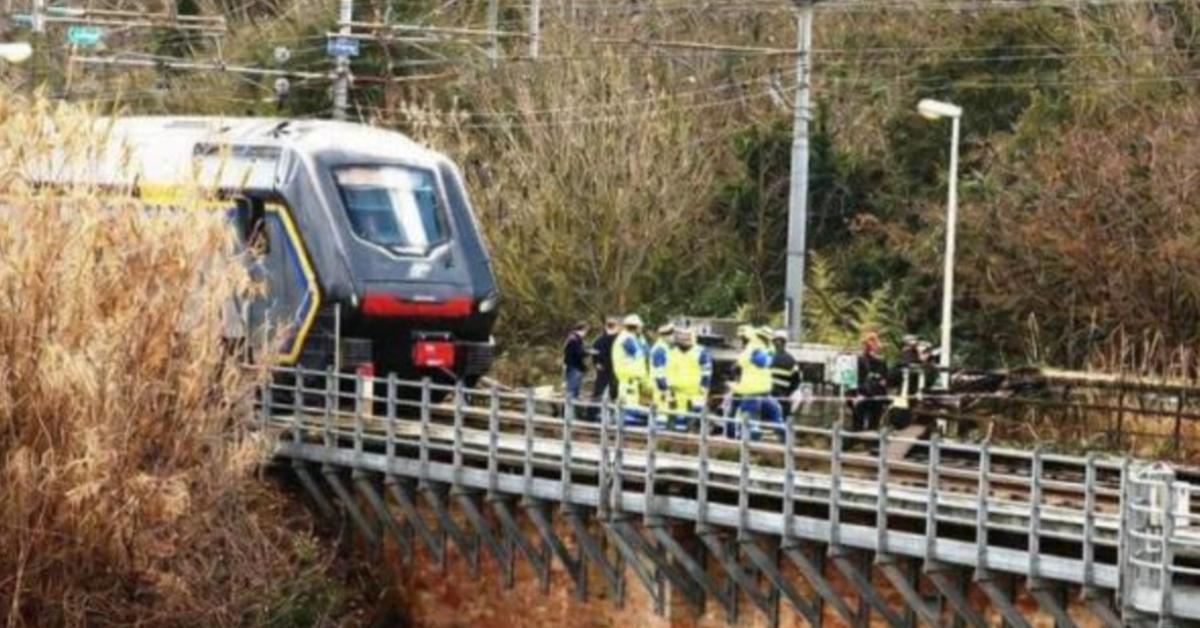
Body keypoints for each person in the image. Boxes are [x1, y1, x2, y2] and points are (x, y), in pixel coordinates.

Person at [727, 325, 782, 440]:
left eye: (743, 339)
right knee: (770, 412)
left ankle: (740, 437)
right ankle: (741, 439)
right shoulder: (761, 348)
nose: (741, 342)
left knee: (750, 413)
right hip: (757, 390)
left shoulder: (756, 349)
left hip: (753, 390)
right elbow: (761, 362)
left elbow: (758, 362)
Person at [665, 328, 712, 432]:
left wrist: (704, 388)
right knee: (676, 423)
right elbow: (667, 372)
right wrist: (668, 389)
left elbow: (706, 372)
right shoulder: (672, 353)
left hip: (696, 394)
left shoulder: (701, 352)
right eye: (682, 337)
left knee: (694, 421)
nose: (684, 340)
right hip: (676, 393)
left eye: (687, 337)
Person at [611, 314, 648, 425]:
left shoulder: (626, 337)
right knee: (629, 408)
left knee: (628, 405)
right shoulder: (627, 339)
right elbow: (642, 353)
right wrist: (642, 339)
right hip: (629, 379)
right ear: (637, 327)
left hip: (628, 379)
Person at [851, 331, 890, 432]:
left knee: (872, 422)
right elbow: (856, 377)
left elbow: (885, 378)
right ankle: (860, 441)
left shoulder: (881, 361)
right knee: (861, 422)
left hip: (874, 394)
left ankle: (869, 442)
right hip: (865, 393)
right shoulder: (860, 359)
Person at [589, 317, 620, 416]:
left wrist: (596, 363)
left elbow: (594, 353)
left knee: (599, 391)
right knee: (614, 392)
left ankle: (591, 414)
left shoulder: (599, 340)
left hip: (604, 368)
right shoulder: (619, 340)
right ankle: (613, 414)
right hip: (613, 368)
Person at [769, 329, 801, 410]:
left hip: (767, 397)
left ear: (773, 342)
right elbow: (796, 381)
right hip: (783, 398)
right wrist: (787, 393)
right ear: (785, 343)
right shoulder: (791, 360)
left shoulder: (766, 357)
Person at [649, 322, 675, 414]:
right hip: (661, 389)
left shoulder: (665, 348)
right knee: (662, 414)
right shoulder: (660, 349)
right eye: (671, 334)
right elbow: (659, 371)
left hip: (662, 387)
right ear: (665, 336)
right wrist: (665, 388)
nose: (673, 337)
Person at [562, 321, 589, 402]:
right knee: (572, 391)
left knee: (574, 391)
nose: (586, 333)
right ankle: (567, 412)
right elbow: (577, 353)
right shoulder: (574, 339)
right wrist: (587, 352)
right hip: (574, 367)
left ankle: (572, 412)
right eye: (586, 331)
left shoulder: (574, 338)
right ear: (582, 329)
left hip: (575, 367)